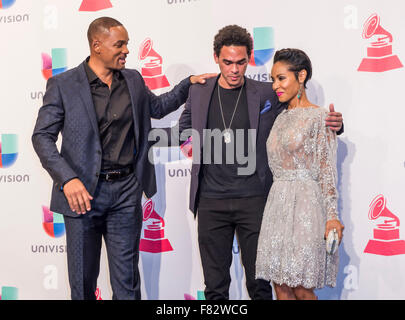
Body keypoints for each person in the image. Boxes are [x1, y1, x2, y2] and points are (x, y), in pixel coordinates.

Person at [31, 16, 214, 300]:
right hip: (81, 197)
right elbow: (41, 136)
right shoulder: (63, 84)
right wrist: (67, 180)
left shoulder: (133, 79)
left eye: (127, 43)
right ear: (97, 45)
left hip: (126, 194)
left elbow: (158, 106)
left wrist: (187, 84)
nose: (127, 50)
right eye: (120, 44)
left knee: (127, 285)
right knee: (82, 286)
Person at [169, 25, 343, 300]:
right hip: (211, 201)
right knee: (214, 287)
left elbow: (302, 115)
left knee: (261, 285)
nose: (235, 69)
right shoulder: (199, 91)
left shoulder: (267, 92)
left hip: (256, 200)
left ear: (249, 58)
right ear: (216, 58)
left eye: (241, 62)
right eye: (228, 62)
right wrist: (194, 148)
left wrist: (335, 124)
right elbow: (184, 129)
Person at [255, 48, 345, 300]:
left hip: (306, 206)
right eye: (273, 79)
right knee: (280, 286)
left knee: (302, 288)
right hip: (277, 206)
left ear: (301, 76)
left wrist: (332, 217)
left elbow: (327, 171)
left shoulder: (320, 117)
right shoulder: (279, 117)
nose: (275, 85)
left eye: (281, 78)